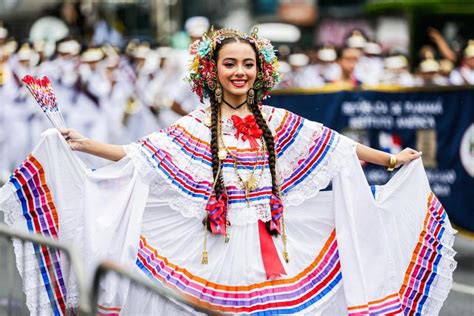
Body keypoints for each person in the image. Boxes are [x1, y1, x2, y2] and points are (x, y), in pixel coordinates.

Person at [0, 28, 456, 315]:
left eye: (247, 64)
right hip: (210, 249)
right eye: (230, 64)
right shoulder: (196, 124)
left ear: (260, 72)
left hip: (273, 249)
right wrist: (82, 144)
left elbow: (336, 146)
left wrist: (393, 160)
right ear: (212, 71)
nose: (239, 71)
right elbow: (141, 154)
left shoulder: (277, 121)